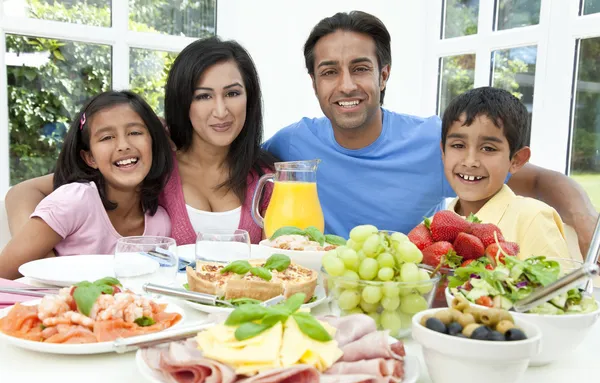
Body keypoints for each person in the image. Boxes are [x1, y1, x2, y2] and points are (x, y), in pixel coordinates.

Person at [263, 10, 598, 257]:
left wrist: (586, 225)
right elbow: (228, 164)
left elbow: (539, 181)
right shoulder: (293, 142)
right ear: (314, 83)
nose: (346, 85)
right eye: (330, 72)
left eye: (361, 69)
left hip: (404, 296)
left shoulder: (434, 142)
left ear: (383, 76)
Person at [5, 37, 277, 246]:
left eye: (232, 93)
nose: (221, 111)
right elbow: (23, 192)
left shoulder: (265, 178)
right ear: (183, 101)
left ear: (249, 98)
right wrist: (42, 256)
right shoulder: (152, 161)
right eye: (203, 96)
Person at [0, 91, 173, 279]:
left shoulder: (159, 224)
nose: (123, 145)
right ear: (90, 158)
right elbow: (3, 273)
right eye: (107, 137)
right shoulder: (74, 200)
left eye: (135, 132)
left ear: (154, 145)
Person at [439, 87, 571, 259]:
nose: (470, 161)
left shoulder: (532, 218)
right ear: (443, 152)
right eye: (458, 145)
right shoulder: (442, 222)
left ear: (516, 160)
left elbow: (558, 285)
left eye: (488, 148)